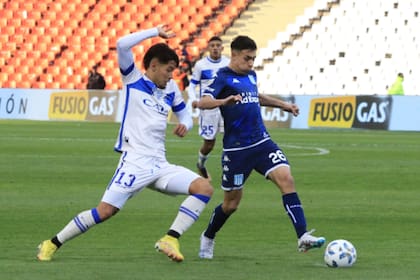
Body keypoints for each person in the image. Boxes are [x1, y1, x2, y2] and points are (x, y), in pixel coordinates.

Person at [37, 25, 213, 263]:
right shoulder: (133, 80)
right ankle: (52, 243)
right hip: (134, 162)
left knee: (204, 188)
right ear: (153, 66)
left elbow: (184, 115)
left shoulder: (170, 88)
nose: (171, 75)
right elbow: (122, 44)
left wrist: (186, 125)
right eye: (168, 70)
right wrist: (154, 32)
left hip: (159, 164)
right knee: (105, 211)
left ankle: (170, 238)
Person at [193, 35, 325, 259]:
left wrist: (282, 104)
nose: (251, 63)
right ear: (234, 55)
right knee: (231, 204)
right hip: (237, 151)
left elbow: (256, 96)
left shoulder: (251, 75)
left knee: (287, 179)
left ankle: (302, 236)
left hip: (262, 142)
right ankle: (208, 236)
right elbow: (203, 101)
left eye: (253, 59)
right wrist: (223, 102)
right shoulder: (222, 77)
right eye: (247, 58)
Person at [187, 36, 230, 179]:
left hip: (225, 107)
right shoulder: (201, 65)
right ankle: (201, 164)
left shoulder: (228, 63)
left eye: (218, 45)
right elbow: (191, 86)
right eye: (212, 45)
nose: (215, 48)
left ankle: (229, 169)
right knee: (209, 143)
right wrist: (194, 100)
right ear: (208, 48)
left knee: (230, 139)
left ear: (222, 48)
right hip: (208, 109)